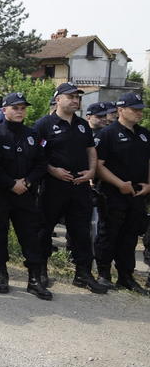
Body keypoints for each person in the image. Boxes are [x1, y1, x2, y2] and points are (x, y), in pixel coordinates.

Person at [33, 82, 113, 294]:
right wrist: (52, 170)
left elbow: (91, 150)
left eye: (77, 97)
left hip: (80, 187)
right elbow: (36, 156)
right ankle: (40, 270)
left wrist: (91, 171)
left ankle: (83, 274)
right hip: (53, 186)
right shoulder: (44, 124)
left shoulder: (82, 125)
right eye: (70, 96)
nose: (75, 100)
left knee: (81, 231)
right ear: (58, 99)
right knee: (44, 229)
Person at [0, 92, 49, 299]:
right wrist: (11, 183)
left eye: (23, 108)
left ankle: (33, 279)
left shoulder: (32, 134)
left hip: (25, 194)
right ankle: (1, 275)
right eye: (15, 108)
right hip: (2, 194)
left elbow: (41, 164)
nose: (20, 111)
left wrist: (28, 181)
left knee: (30, 236)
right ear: (4, 110)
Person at [93, 92, 150, 294]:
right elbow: (98, 166)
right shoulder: (107, 134)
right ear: (120, 110)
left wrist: (148, 184)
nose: (138, 113)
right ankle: (104, 274)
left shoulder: (144, 134)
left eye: (140, 110)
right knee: (109, 234)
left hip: (136, 194)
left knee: (130, 236)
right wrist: (119, 184)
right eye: (134, 110)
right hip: (113, 193)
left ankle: (126, 276)